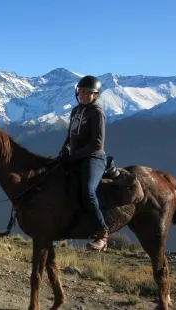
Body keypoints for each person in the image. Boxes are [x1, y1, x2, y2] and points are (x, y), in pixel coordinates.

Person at [59, 75, 108, 251]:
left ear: (95, 95)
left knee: (88, 191)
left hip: (93, 158)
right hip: (74, 156)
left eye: (88, 92)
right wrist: (64, 149)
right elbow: (70, 135)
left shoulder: (97, 112)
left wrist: (74, 156)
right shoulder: (76, 111)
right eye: (81, 91)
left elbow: (97, 144)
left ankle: (102, 233)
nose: (84, 95)